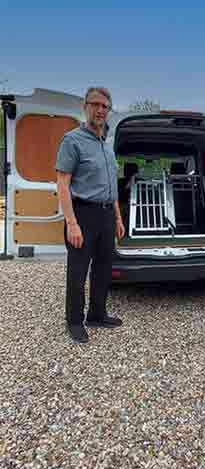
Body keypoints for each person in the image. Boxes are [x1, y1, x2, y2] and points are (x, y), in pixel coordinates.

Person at [56, 87, 125, 343]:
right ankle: (74, 321)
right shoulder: (72, 140)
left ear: (108, 111)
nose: (99, 110)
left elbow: (112, 187)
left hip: (107, 215)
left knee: (103, 268)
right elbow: (62, 183)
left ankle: (97, 314)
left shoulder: (107, 147)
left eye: (104, 106)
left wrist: (117, 217)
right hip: (83, 215)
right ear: (85, 107)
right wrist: (71, 223)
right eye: (95, 104)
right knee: (78, 271)